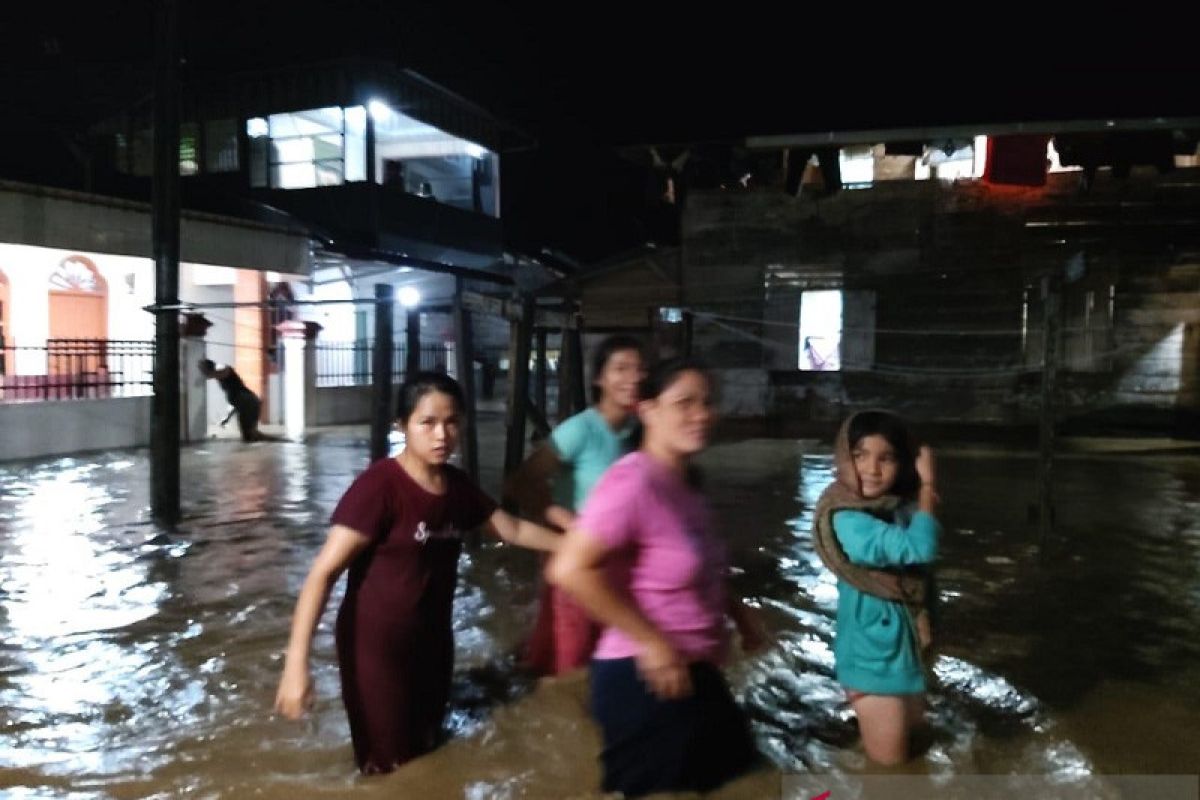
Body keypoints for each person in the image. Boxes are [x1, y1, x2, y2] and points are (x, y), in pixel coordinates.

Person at [274, 371, 562, 775]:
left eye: (452, 422)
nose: (441, 434)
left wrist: (573, 546)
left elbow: (510, 529)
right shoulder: (379, 489)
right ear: (403, 426)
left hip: (433, 641)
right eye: (427, 422)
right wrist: (295, 667)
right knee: (387, 768)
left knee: (428, 751)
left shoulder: (457, 487)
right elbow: (322, 574)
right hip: (375, 650)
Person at [547, 358, 765, 796]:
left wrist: (741, 618)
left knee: (743, 778)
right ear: (647, 410)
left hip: (692, 670)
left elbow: (704, 569)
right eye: (684, 403)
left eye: (707, 402)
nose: (702, 414)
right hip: (644, 678)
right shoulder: (633, 483)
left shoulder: (685, 485)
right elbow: (568, 568)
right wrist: (651, 642)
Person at [504, 334, 645, 676]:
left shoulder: (638, 431)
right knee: (571, 652)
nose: (633, 378)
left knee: (613, 643)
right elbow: (520, 482)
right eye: (621, 369)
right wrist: (562, 518)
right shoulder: (579, 430)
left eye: (639, 370)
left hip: (616, 553)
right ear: (599, 379)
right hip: (575, 551)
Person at [811, 409, 940, 765]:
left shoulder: (891, 508)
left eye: (886, 458)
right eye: (860, 455)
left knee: (915, 749)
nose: (872, 469)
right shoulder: (847, 517)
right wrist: (929, 489)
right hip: (873, 660)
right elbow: (920, 547)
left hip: (900, 651)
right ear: (843, 457)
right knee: (889, 773)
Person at [198, 358, 264, 442]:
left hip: (250, 402)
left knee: (250, 435)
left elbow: (225, 371)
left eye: (203, 370)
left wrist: (210, 374)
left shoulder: (223, 370)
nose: (202, 374)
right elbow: (235, 403)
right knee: (249, 436)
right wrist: (227, 417)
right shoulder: (223, 381)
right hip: (246, 403)